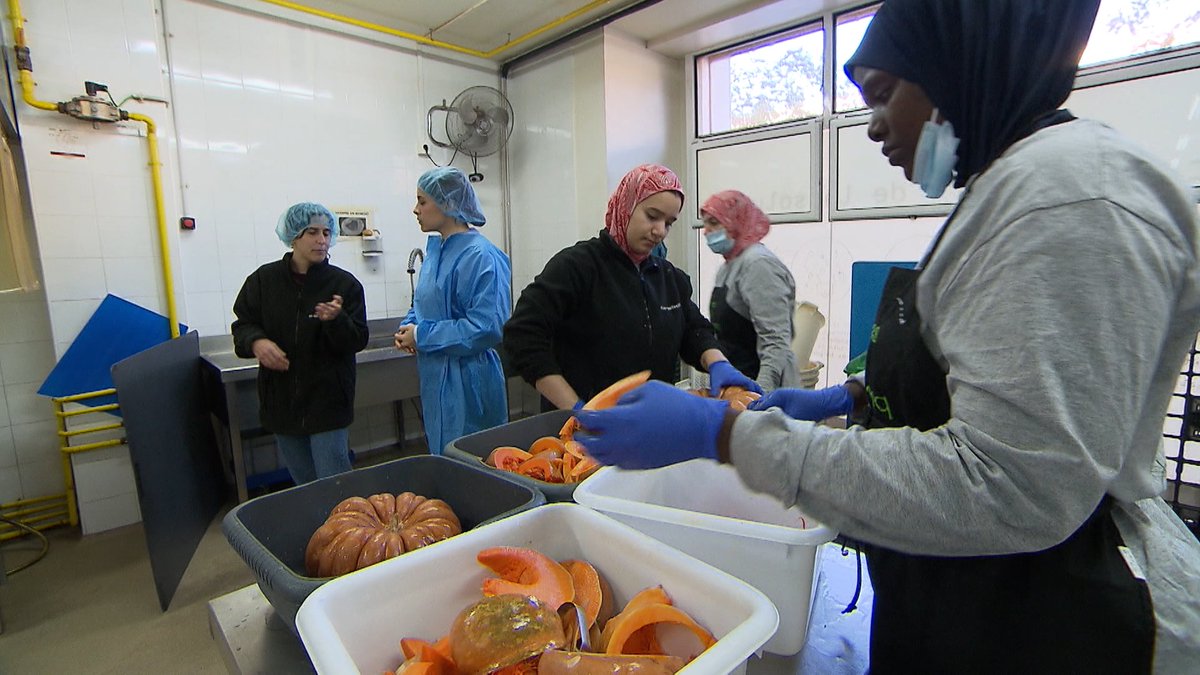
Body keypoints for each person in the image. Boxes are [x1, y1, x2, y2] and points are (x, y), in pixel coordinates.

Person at [571, 1, 1200, 672]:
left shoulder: (1072, 197)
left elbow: (1010, 483)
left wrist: (728, 436)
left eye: (881, 93)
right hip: (962, 591)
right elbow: (981, 375)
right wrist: (851, 397)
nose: (871, 126)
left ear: (960, 65)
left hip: (1052, 616)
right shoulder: (1013, 184)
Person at [503, 163, 760, 411]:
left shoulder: (668, 276)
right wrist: (575, 409)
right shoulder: (577, 267)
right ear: (625, 205)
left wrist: (719, 365)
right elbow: (522, 335)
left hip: (649, 422)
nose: (660, 231)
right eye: (652, 216)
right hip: (585, 430)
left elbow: (694, 330)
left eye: (669, 222)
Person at [232, 202, 368, 484]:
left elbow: (358, 339)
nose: (322, 240)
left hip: (328, 403)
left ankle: (347, 528)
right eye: (312, 232)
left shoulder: (345, 285)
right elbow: (243, 325)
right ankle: (317, 527)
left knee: (335, 482)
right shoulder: (263, 281)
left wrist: (337, 319)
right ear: (293, 236)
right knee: (304, 483)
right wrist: (257, 343)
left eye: (327, 233)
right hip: (282, 402)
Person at [396, 167, 511, 455]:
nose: (415, 209)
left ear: (447, 203)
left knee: (475, 463)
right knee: (445, 459)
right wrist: (408, 327)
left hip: (469, 380)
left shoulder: (480, 256)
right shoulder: (436, 252)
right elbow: (424, 303)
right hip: (436, 377)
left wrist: (421, 335)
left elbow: (486, 327)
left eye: (422, 201)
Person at [701, 190, 801, 392]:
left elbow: (775, 342)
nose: (705, 231)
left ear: (735, 222)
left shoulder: (758, 264)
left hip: (762, 385)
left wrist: (760, 395)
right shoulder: (729, 265)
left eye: (713, 222)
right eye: (705, 223)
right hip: (738, 380)